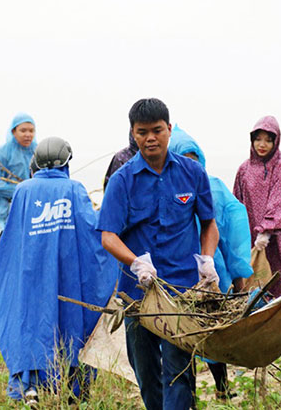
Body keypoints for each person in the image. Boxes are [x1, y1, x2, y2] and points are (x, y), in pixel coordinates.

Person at [97, 98, 220, 410]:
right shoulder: (122, 180)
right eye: (142, 132)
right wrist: (135, 262)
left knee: (179, 370)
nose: (150, 138)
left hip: (182, 291)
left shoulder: (192, 173)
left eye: (156, 130)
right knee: (147, 373)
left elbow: (209, 224)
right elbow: (108, 237)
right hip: (138, 293)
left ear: (168, 128)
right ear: (133, 134)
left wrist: (207, 259)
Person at [0, 137, 116, 404]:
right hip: (69, 278)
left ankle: (31, 386)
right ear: (67, 160)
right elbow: (92, 231)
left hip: (32, 277)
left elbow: (12, 236)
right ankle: (75, 393)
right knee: (74, 326)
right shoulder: (75, 190)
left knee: (31, 325)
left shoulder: (23, 191)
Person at [169, 124, 253, 401]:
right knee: (182, 337)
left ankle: (222, 386)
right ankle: (188, 394)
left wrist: (239, 272)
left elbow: (233, 229)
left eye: (194, 159)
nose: (190, 166)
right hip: (178, 274)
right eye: (184, 159)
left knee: (213, 329)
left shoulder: (213, 187)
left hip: (211, 271)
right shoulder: (165, 189)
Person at [232, 116, 281, 296]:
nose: (262, 144)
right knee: (256, 284)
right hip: (252, 238)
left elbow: (280, 199)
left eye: (268, 139)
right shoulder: (244, 169)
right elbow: (237, 202)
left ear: (276, 141)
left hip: (280, 237)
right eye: (258, 139)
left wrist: (266, 230)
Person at [0, 112, 37, 230]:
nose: (28, 134)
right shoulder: (1, 153)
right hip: (8, 206)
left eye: (31, 131)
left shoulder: (38, 151)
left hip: (34, 205)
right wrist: (20, 191)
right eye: (23, 130)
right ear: (13, 131)